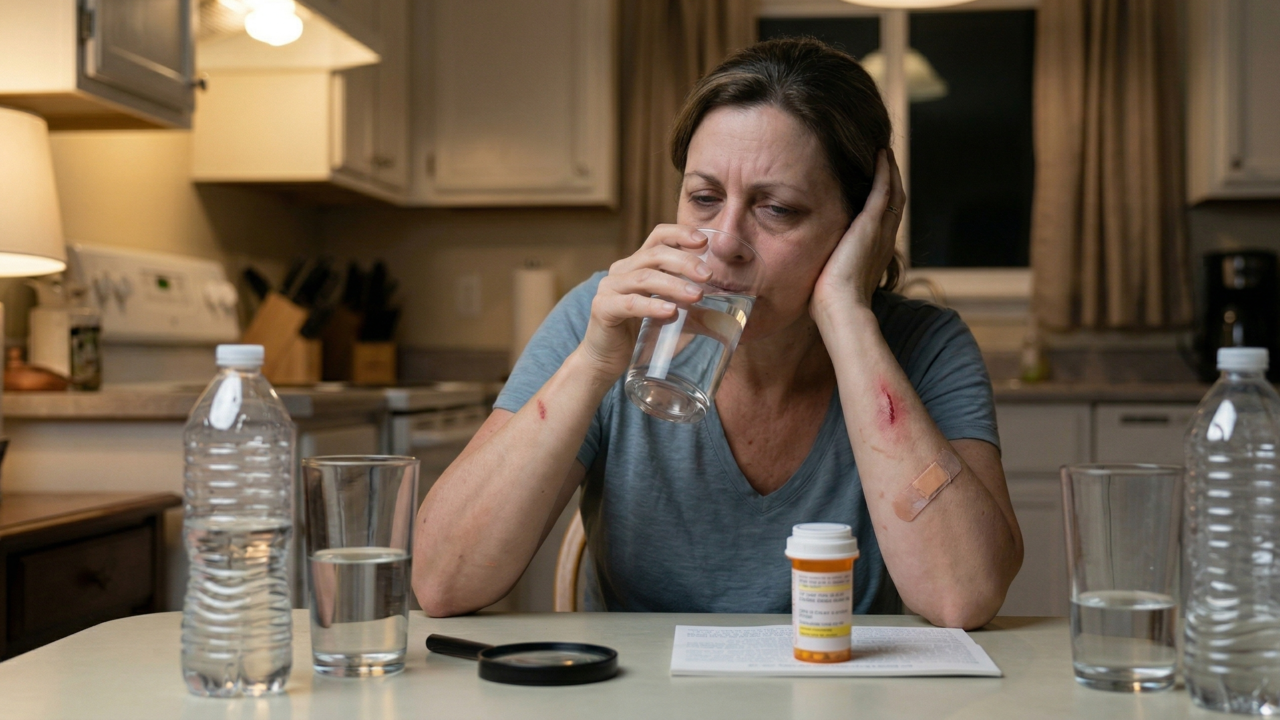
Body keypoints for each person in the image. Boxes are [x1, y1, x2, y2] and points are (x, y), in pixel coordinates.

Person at [412, 37, 1023, 629]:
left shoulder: (927, 347)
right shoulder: (602, 321)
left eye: (776, 208)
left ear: (859, 225)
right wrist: (596, 360)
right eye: (704, 197)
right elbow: (441, 582)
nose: (725, 241)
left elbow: (960, 596)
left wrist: (846, 312)